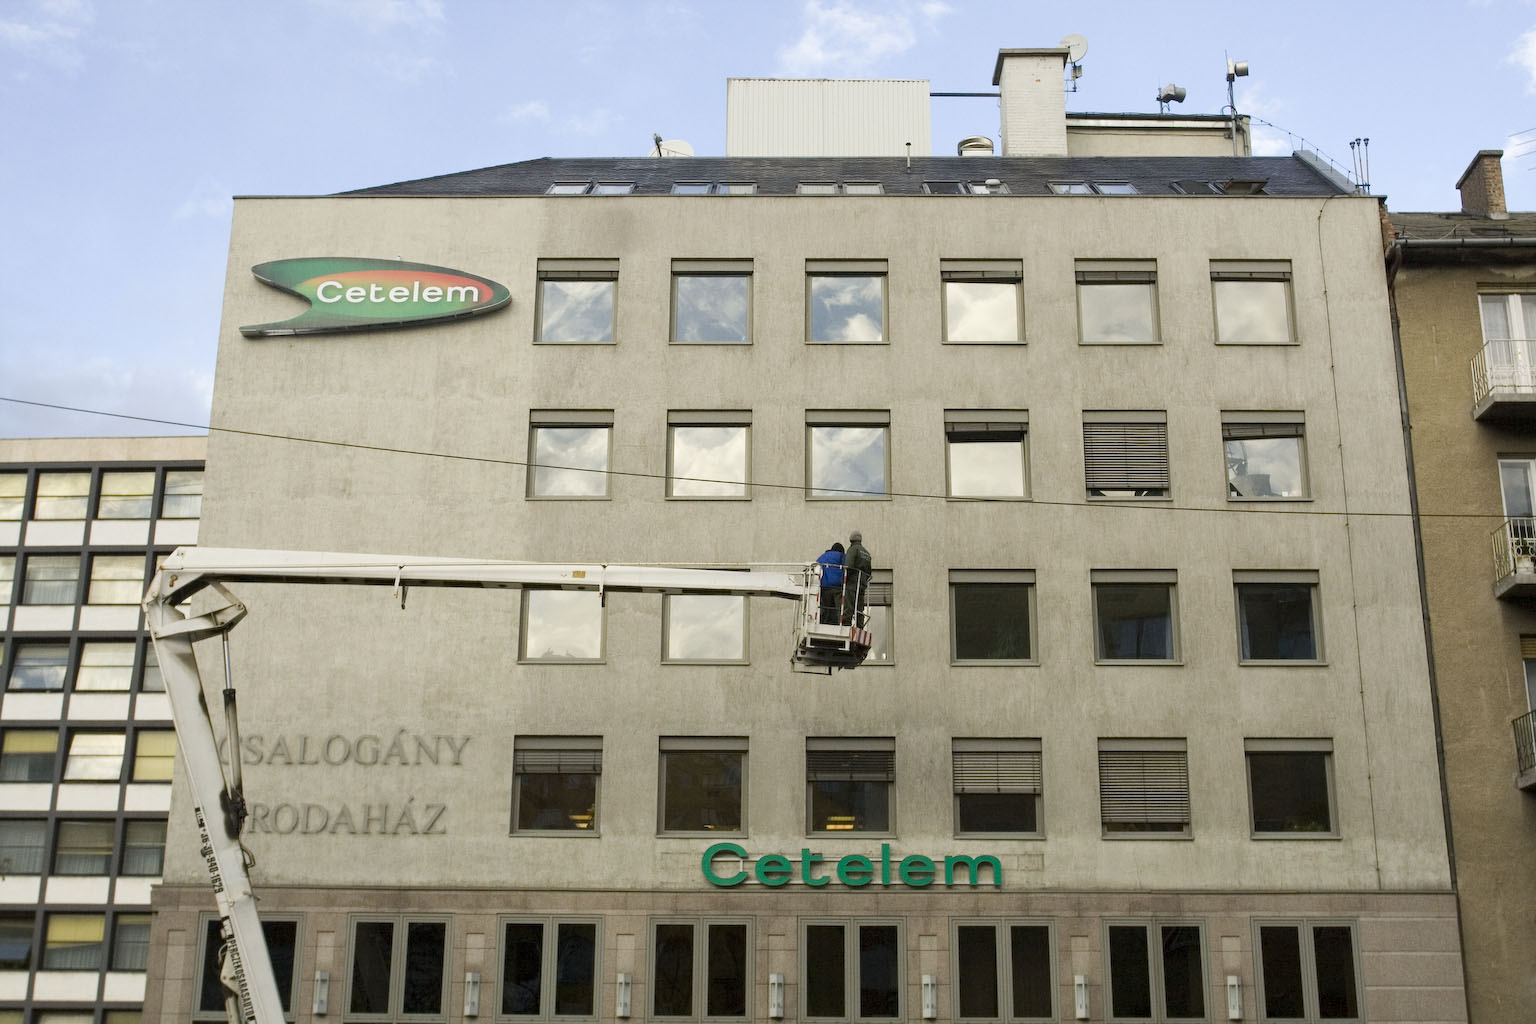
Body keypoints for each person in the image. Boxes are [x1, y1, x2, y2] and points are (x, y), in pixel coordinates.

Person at [842, 530, 872, 626]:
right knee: (859, 606)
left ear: (851, 539)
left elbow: (848, 566)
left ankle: (846, 624)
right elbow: (869, 572)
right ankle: (860, 624)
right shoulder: (867, 553)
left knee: (849, 603)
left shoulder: (853, 549)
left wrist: (845, 579)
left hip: (853, 581)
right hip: (862, 583)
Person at [815, 542, 845, 624]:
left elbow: (816, 565)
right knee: (839, 609)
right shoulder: (841, 556)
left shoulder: (823, 556)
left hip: (825, 587)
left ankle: (824, 622)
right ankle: (840, 623)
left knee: (826, 608)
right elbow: (847, 566)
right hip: (837, 587)